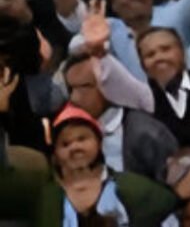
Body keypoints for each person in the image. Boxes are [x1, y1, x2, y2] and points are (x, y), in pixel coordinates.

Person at [34, 104, 179, 226]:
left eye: (82, 139)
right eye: (65, 144)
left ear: (99, 143)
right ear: (55, 155)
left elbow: (168, 211)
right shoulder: (48, 198)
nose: (75, 147)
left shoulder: (131, 187)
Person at [63, 48, 179, 182]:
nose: (74, 97)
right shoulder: (71, 132)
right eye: (71, 89)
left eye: (84, 87)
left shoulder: (147, 134)